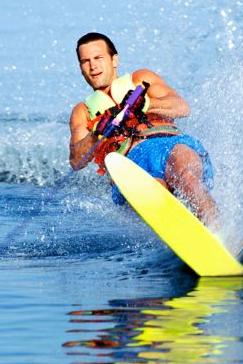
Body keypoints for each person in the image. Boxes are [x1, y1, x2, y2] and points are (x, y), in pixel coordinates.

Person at [68, 32, 217, 224]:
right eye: (85, 61)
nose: (93, 66)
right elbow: (76, 161)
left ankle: (220, 233)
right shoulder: (83, 111)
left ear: (114, 60)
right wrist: (96, 134)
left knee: (185, 175)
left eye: (98, 58)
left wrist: (146, 104)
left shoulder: (141, 80)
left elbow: (181, 107)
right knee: (156, 193)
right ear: (81, 69)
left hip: (169, 144)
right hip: (130, 166)